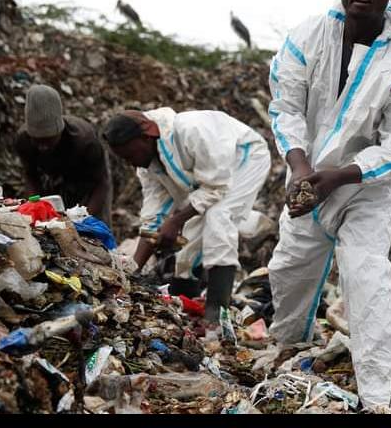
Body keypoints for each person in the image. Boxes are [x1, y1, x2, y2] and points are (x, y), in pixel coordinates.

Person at [266, 0, 391, 408]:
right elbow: (285, 105)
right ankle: (289, 348)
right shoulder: (307, 36)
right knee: (288, 271)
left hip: (366, 190)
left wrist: (337, 177)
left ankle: (389, 394)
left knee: (366, 277)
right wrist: (301, 168)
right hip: (308, 178)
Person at [103, 107, 271, 322]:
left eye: (129, 155)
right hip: (211, 177)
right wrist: (132, 271)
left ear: (146, 137)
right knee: (189, 241)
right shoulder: (147, 165)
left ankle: (216, 316)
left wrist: (175, 221)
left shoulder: (190, 131)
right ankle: (184, 310)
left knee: (219, 218)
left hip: (245, 157)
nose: (130, 163)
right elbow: (154, 216)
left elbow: (216, 187)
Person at [15, 84, 113, 226]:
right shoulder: (23, 141)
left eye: (48, 140)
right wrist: (35, 206)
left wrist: (84, 219)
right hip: (54, 179)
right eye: (37, 141)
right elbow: (31, 176)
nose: (43, 147)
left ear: (60, 132)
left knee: (95, 228)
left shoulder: (85, 141)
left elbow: (101, 183)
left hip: (89, 183)